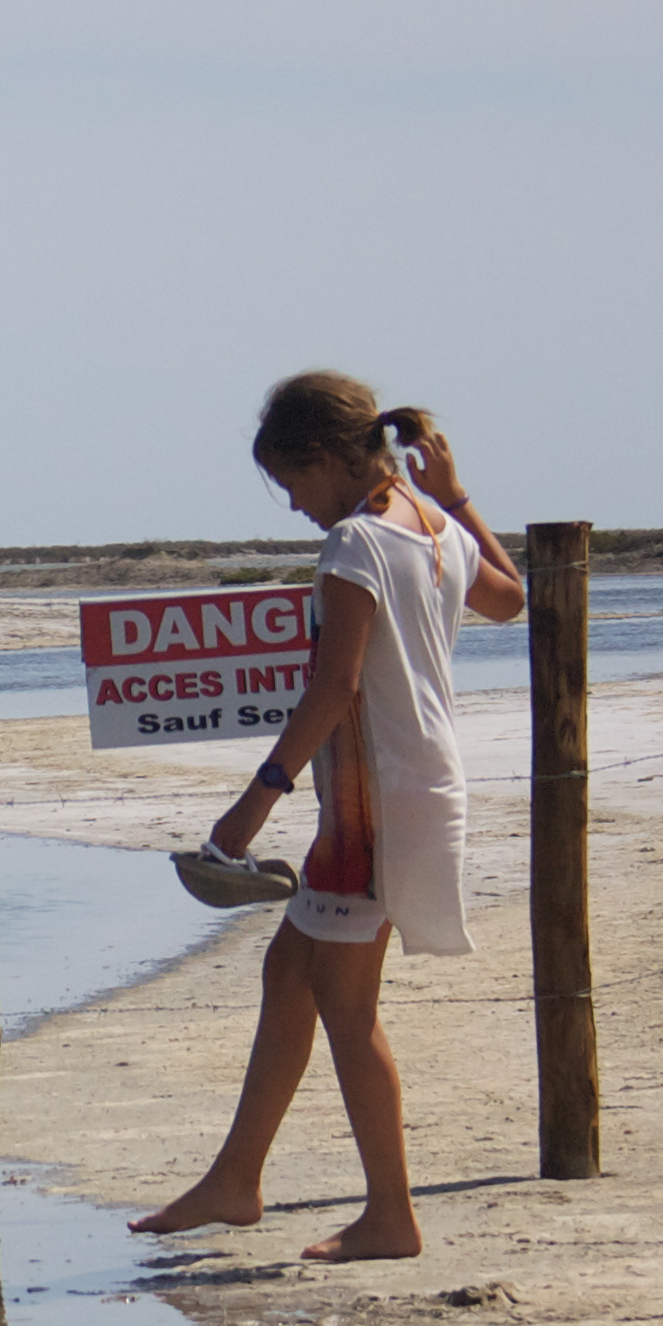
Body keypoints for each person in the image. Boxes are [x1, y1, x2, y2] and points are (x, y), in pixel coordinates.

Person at [132, 371, 524, 1262]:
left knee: (349, 1011)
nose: (295, 505)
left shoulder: (355, 541)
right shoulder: (430, 524)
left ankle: (391, 1216)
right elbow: (511, 597)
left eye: (292, 483)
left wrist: (252, 804)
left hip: (372, 805)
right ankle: (236, 1179)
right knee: (288, 970)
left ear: (325, 457)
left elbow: (333, 685)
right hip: (413, 788)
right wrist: (456, 496)